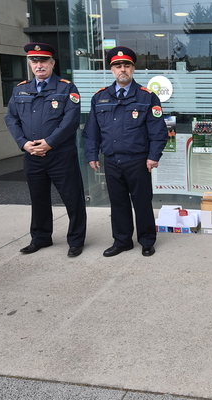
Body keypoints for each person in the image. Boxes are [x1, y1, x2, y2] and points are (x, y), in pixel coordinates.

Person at [83, 46, 167, 257]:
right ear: (112, 70)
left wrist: (153, 156)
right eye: (118, 66)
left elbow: (158, 131)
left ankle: (147, 241)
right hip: (112, 160)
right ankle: (122, 241)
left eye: (127, 65)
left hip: (138, 160)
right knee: (118, 203)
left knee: (142, 202)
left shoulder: (147, 97)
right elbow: (92, 130)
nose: (123, 69)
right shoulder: (100, 97)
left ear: (133, 68)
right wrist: (92, 154)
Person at [5, 43, 87, 257]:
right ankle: (40, 238)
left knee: (73, 199)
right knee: (38, 199)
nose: (39, 65)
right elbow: (11, 118)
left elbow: (70, 121)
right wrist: (23, 143)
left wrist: (49, 143)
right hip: (32, 155)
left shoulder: (66, 88)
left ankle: (76, 240)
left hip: (61, 156)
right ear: (30, 64)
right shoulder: (20, 89)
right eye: (34, 61)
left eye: (43, 61)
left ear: (52, 63)